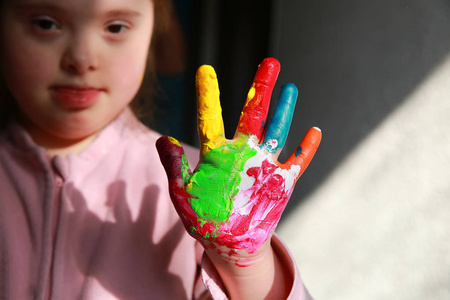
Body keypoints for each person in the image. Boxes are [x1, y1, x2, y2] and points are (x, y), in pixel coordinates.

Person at [0, 0, 321, 299]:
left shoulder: (208, 188)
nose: (82, 59)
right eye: (45, 24)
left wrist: (246, 261)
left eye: (115, 27)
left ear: (155, 30)